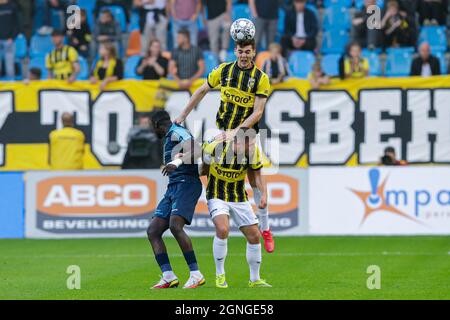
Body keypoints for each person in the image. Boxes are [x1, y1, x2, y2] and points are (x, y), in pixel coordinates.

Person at [174, 35, 275, 254]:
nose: (244, 55)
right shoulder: (224, 71)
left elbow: (258, 112)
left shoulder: (260, 78)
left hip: (245, 134)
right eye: (240, 51)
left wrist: (235, 132)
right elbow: (201, 90)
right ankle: (206, 190)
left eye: (248, 51)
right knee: (208, 160)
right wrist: (182, 115)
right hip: (223, 131)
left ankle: (265, 228)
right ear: (235, 51)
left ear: (254, 52)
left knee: (254, 177)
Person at [147, 110, 205, 289]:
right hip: (173, 187)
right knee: (153, 230)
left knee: (175, 225)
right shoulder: (169, 137)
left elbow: (197, 149)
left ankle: (196, 274)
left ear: (157, 125)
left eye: (152, 127)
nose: (152, 131)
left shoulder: (177, 132)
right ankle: (168, 276)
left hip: (187, 183)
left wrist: (176, 163)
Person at [0, 0, 21, 79]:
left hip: (9, 41)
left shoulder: (12, 6)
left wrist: (12, 37)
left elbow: (17, 24)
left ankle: (11, 85)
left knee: (10, 67)